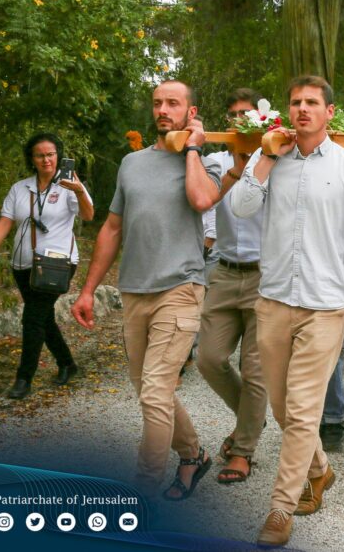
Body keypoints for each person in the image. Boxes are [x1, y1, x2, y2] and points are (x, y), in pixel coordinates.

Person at [232, 75, 344, 548]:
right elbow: (239, 207)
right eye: (296, 102)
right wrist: (266, 157)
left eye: (312, 102)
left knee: (301, 412)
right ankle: (319, 469)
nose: (302, 109)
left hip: (324, 305)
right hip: (274, 300)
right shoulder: (269, 157)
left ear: (329, 112)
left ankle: (281, 507)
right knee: (281, 407)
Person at [71, 80, 221, 501]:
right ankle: (193, 456)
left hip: (181, 287)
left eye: (173, 103)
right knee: (150, 391)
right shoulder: (132, 163)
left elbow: (201, 200)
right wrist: (88, 290)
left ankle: (143, 492)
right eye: (157, 103)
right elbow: (112, 228)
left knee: (155, 391)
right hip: (135, 290)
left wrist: (192, 149)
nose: (163, 110)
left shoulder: (206, 163)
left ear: (191, 112)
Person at [0, 133, 94, 400]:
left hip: (57, 264)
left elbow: (89, 215)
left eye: (51, 154)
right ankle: (67, 364)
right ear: (32, 159)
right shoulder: (20, 188)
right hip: (23, 264)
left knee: (32, 318)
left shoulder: (69, 186)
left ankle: (24, 379)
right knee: (43, 317)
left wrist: (79, 190)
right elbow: (6, 219)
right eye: (40, 155)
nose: (46, 160)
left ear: (58, 156)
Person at [195, 88, 268, 485]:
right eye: (234, 115)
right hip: (223, 272)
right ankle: (250, 420)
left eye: (247, 114)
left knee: (255, 371)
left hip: (264, 276)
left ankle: (242, 451)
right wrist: (236, 170)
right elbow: (204, 202)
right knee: (209, 359)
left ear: (260, 119)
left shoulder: (276, 161)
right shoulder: (214, 162)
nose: (240, 121)